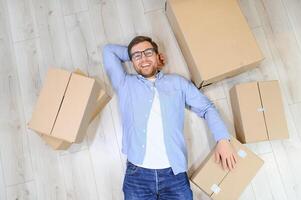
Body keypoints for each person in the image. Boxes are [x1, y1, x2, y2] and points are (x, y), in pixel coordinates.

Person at [102, 36, 237, 200]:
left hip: (174, 175)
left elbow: (207, 108)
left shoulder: (178, 83)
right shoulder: (125, 84)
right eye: (137, 56)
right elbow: (108, 50)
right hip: (137, 174)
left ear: (158, 55)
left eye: (148, 52)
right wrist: (140, 54)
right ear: (132, 60)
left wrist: (223, 139)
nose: (143, 58)